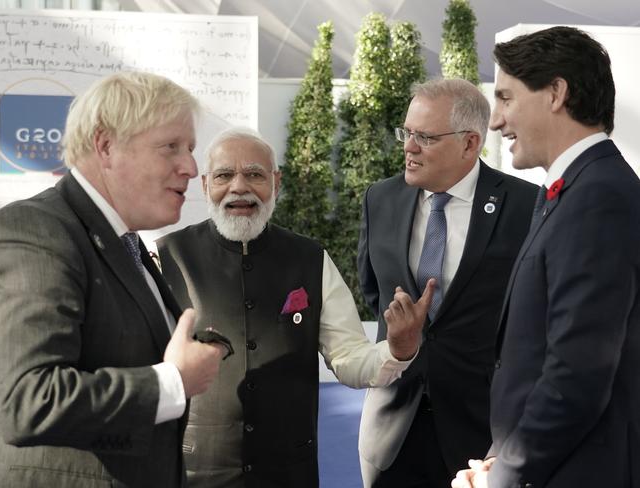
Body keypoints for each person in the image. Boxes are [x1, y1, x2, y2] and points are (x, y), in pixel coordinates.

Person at [156, 127, 432, 488]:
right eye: (225, 175)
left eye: (255, 174)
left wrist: (400, 348)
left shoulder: (311, 259)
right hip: (192, 472)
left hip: (289, 472)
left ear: (276, 182)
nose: (239, 187)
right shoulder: (166, 259)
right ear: (206, 185)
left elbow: (349, 358)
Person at [0, 71, 229, 487]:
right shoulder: (37, 230)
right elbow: (27, 401)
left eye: (189, 149)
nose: (191, 167)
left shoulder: (124, 242)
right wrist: (172, 381)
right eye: (170, 147)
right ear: (105, 146)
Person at [452, 26, 640, 488]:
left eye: (506, 98)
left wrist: (503, 477)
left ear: (556, 92)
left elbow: (577, 375)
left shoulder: (599, 198)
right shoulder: (574, 190)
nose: (495, 121)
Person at [357, 78, 538, 488]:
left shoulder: (527, 206)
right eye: (406, 132)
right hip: (391, 432)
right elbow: (373, 289)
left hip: (483, 436)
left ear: (470, 143)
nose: (409, 146)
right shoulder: (379, 199)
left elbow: (531, 318)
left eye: (425, 136)